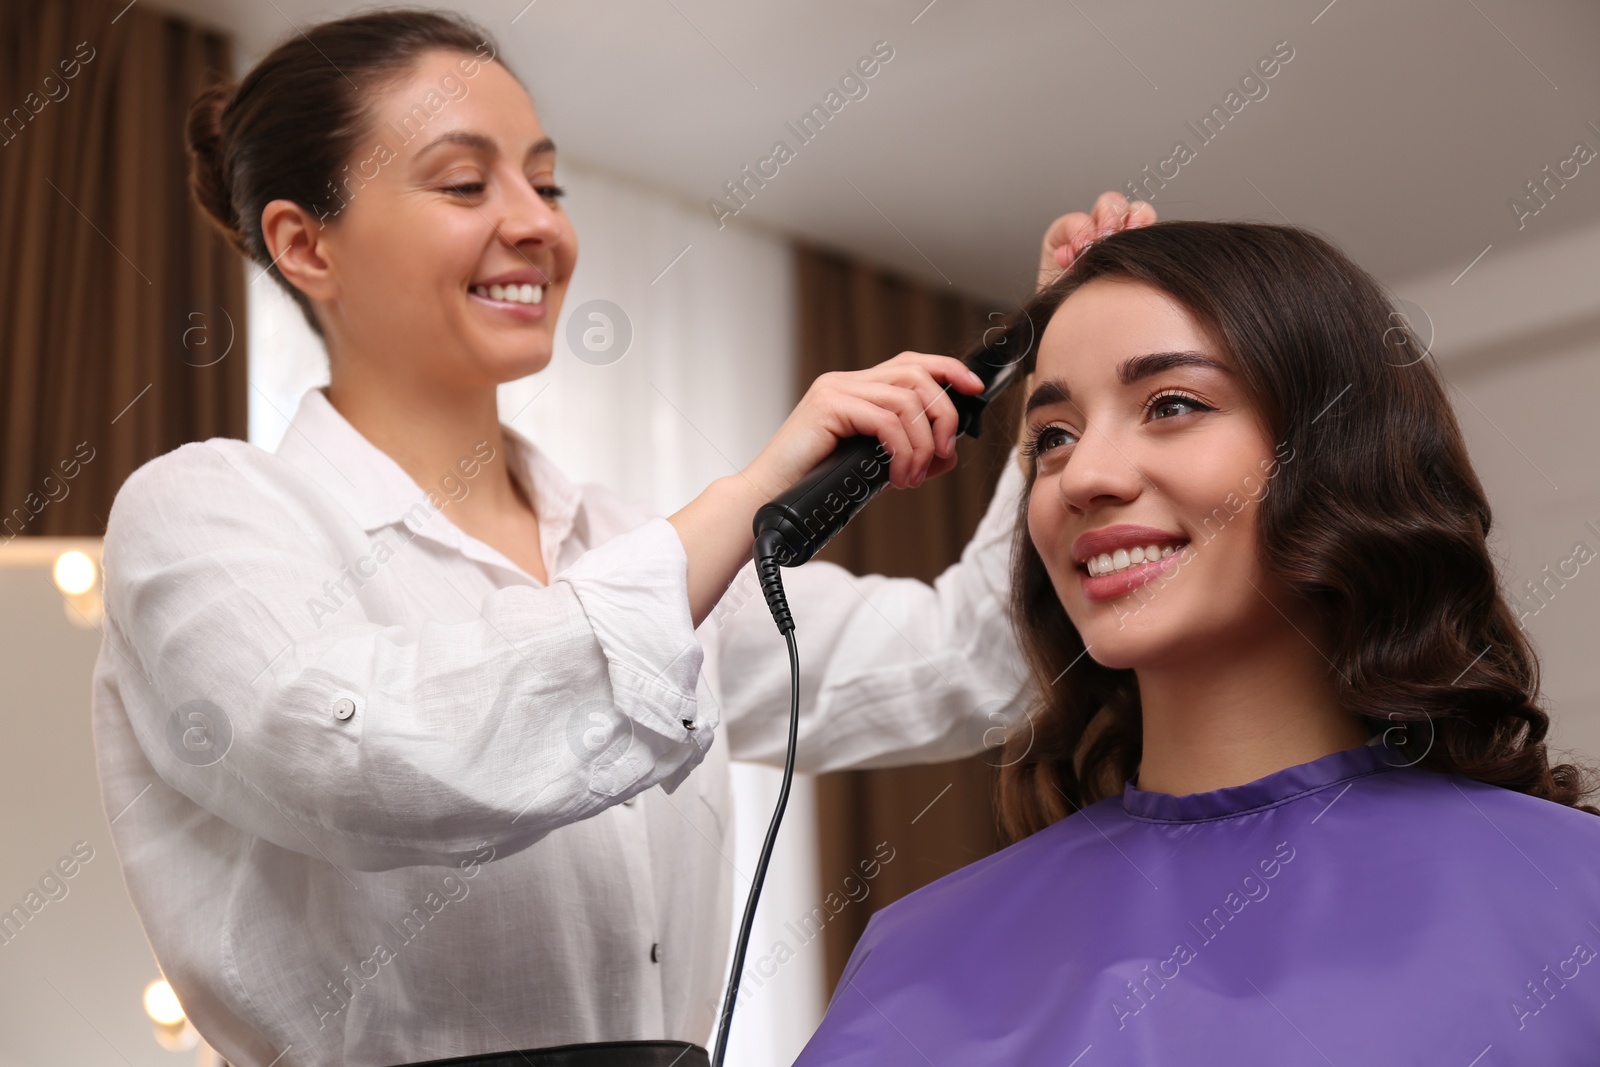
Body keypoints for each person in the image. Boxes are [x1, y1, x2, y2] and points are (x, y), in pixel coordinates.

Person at [87, 7, 1157, 1067]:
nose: (538, 224)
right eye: (466, 183)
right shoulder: (202, 512)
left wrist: (1059, 401)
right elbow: (357, 756)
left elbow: (965, 666)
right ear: (302, 242)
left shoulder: (626, 541)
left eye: (546, 182)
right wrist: (749, 495)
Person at [791, 220, 1600, 1064]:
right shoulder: (919, 956)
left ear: (1334, 452)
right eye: (1052, 436)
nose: (1087, 475)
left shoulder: (1574, 901)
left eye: (1172, 405)